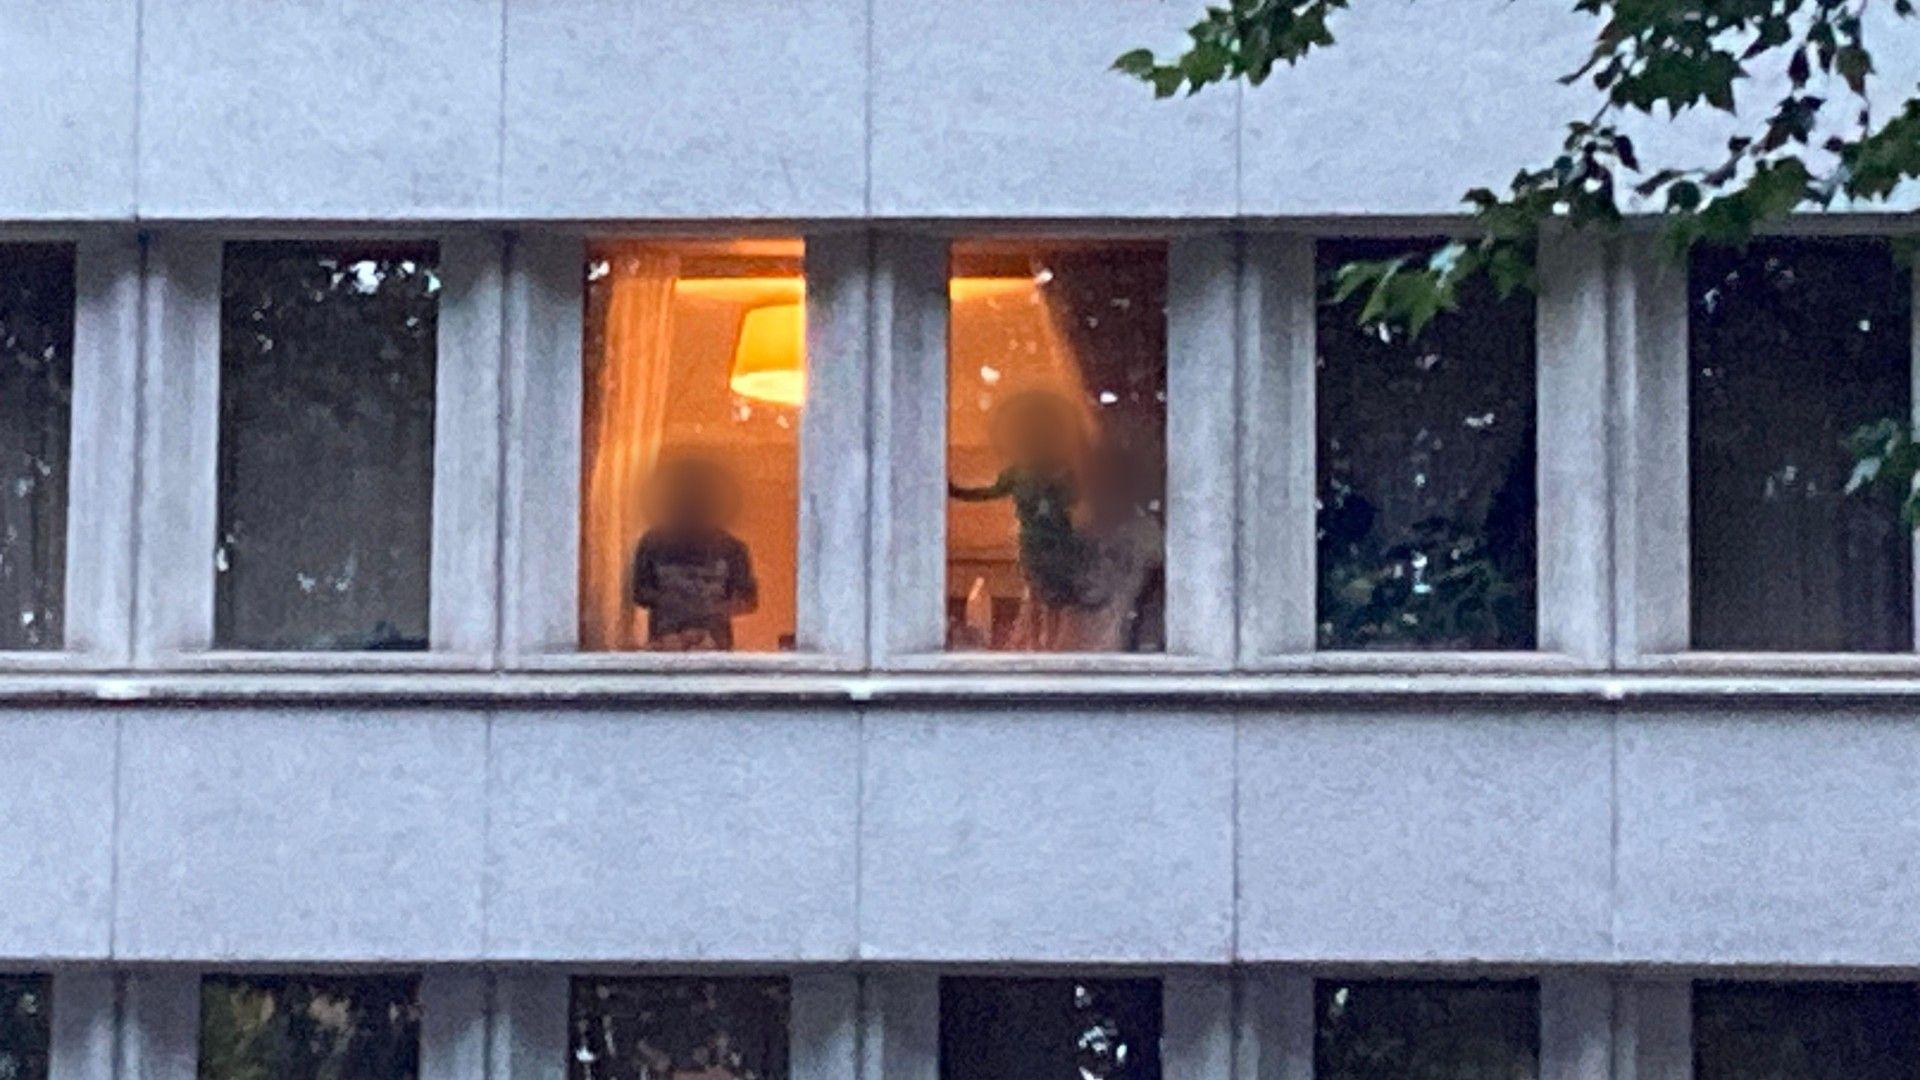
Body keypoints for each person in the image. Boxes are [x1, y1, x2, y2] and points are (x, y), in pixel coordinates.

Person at [948, 390, 1092, 627]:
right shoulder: (1018, 474)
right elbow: (987, 492)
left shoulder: (1059, 471)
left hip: (1058, 544)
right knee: (1038, 597)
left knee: (1054, 600)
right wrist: (955, 491)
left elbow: (1076, 498)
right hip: (1034, 543)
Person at [630, 453, 758, 651]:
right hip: (664, 646)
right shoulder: (653, 544)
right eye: (684, 496)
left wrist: (712, 609)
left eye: (698, 497)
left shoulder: (731, 548)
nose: (691, 504)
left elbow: (748, 601)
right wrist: (674, 602)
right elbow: (639, 592)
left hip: (714, 646)